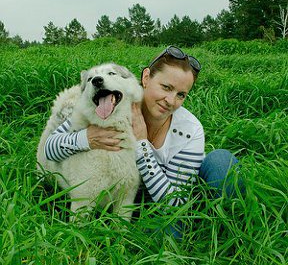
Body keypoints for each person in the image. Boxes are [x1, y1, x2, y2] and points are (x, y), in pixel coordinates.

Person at [44, 45, 241, 238]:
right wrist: (87, 138)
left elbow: (174, 203)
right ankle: (173, 231)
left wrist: (142, 144)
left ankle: (220, 231)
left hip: (175, 200)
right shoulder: (115, 104)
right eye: (166, 87)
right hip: (137, 205)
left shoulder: (190, 130)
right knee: (163, 235)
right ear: (146, 78)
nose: (170, 101)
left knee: (223, 161)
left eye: (181, 94)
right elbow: (50, 149)